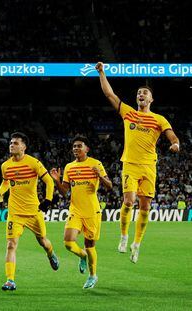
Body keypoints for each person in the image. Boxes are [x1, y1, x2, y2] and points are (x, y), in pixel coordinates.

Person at [96, 62, 180, 263]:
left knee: (145, 208)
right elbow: (110, 94)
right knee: (128, 201)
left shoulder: (159, 119)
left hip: (149, 166)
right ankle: (124, 236)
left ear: (151, 98)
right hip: (130, 165)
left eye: (144, 93)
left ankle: (137, 244)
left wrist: (176, 144)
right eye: (138, 93)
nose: (141, 95)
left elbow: (172, 136)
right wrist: (101, 72)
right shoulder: (128, 113)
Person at [0, 132, 59, 291]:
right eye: (11, 142)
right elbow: (6, 183)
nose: (12, 145)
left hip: (33, 212)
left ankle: (51, 254)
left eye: (16, 143)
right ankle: (10, 280)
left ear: (24, 146)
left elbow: (49, 181)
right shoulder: (6, 165)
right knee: (11, 245)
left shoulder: (33, 163)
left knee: (43, 242)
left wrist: (48, 200)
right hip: (15, 213)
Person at [50, 136, 112, 289]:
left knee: (90, 245)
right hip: (75, 210)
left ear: (87, 149)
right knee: (68, 242)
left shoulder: (96, 164)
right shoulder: (69, 167)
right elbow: (64, 191)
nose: (76, 149)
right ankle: (82, 255)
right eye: (74, 147)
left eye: (79, 146)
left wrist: (100, 176)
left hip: (92, 211)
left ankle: (92, 275)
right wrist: (57, 181)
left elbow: (110, 186)